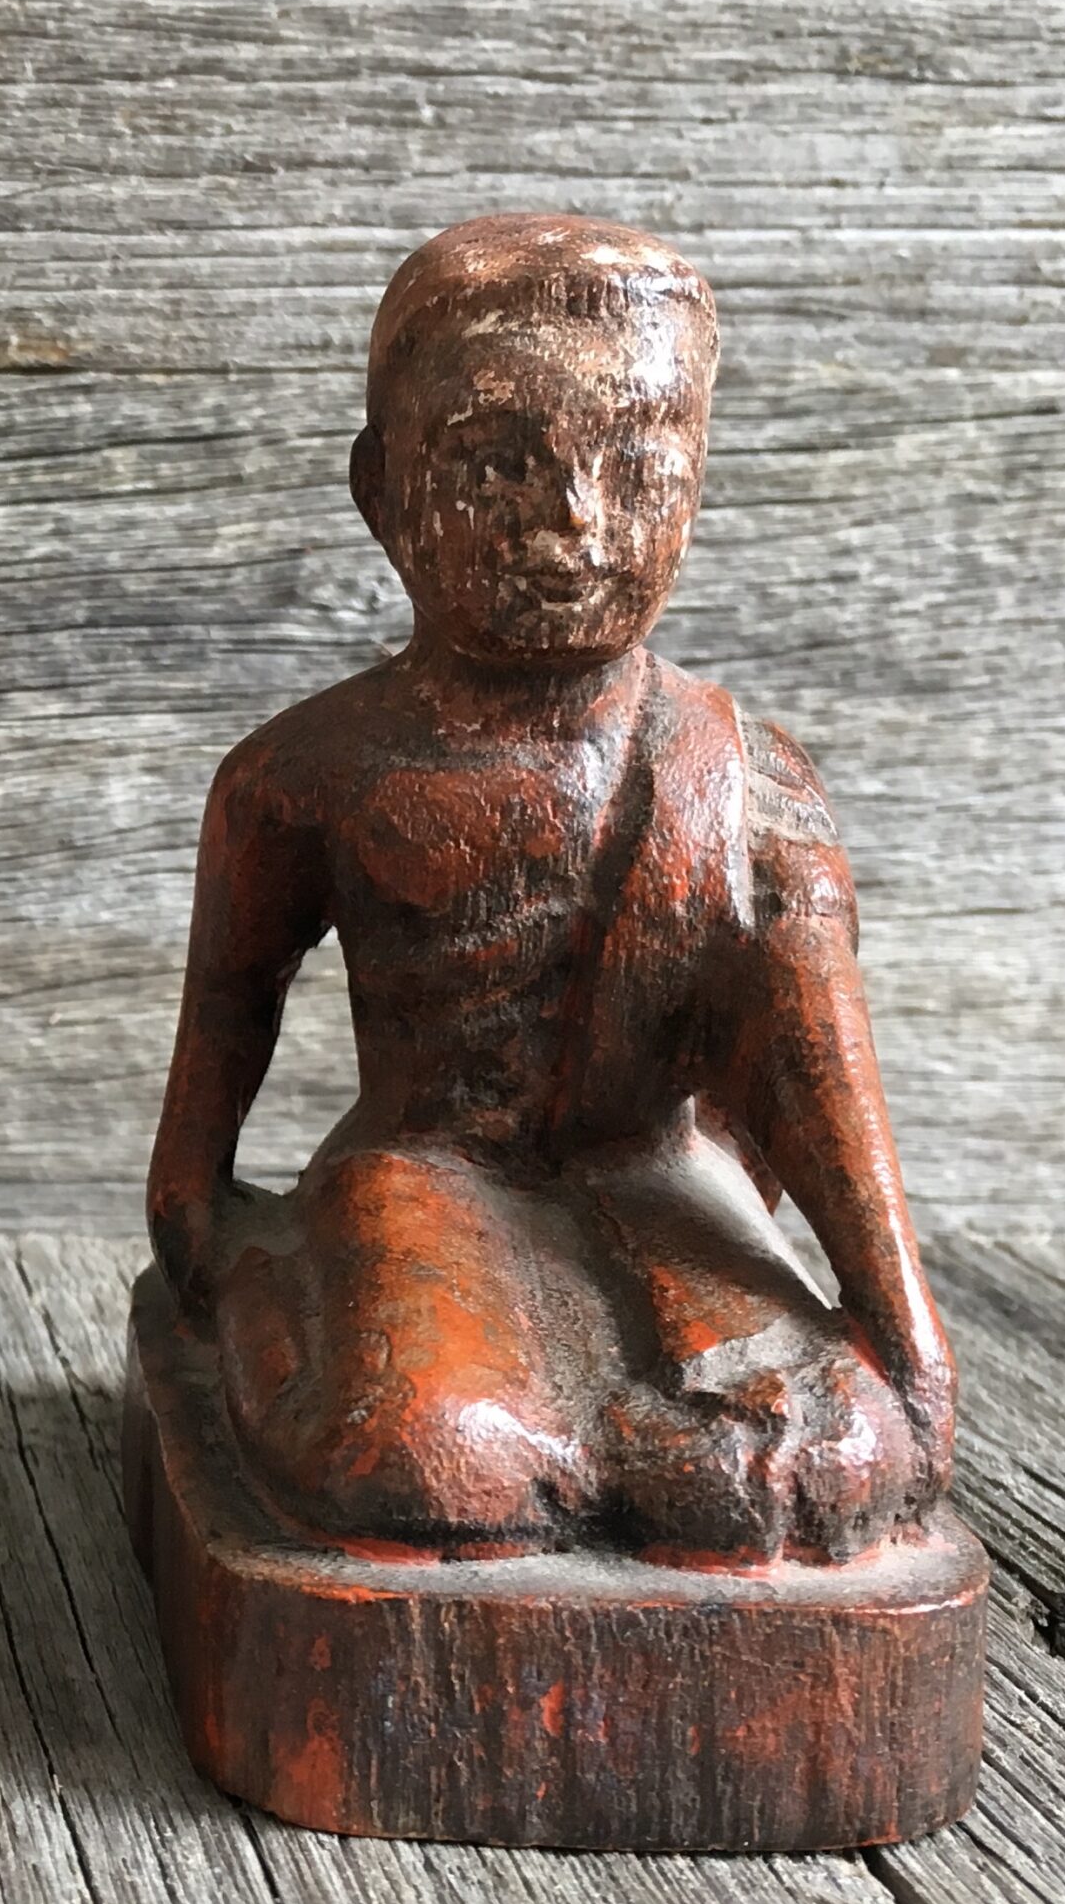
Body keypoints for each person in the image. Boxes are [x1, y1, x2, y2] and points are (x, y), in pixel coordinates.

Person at [145, 215, 950, 1565]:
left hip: (660, 1173)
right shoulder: (305, 777)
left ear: (699, 482)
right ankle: (550, 1430)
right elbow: (215, 1073)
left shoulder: (738, 780)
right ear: (382, 491)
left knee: (832, 1454)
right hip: (423, 1172)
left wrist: (906, 1346)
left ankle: (621, 1449)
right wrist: (216, 1240)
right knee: (427, 1461)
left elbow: (812, 1078)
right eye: (502, 464)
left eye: (638, 467)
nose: (576, 522)